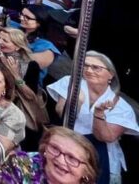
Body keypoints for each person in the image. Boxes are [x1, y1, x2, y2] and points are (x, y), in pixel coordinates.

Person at [47, 51, 139, 184]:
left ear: (111, 74)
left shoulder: (123, 107)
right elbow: (60, 111)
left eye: (96, 67)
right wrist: (76, 102)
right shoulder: (71, 82)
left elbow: (106, 136)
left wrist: (99, 114)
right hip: (64, 150)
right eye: (85, 66)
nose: (89, 70)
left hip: (100, 158)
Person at [0, 126, 99, 184]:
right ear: (44, 149)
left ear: (87, 171)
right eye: (55, 149)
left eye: (71, 158)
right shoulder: (22, 164)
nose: (60, 159)